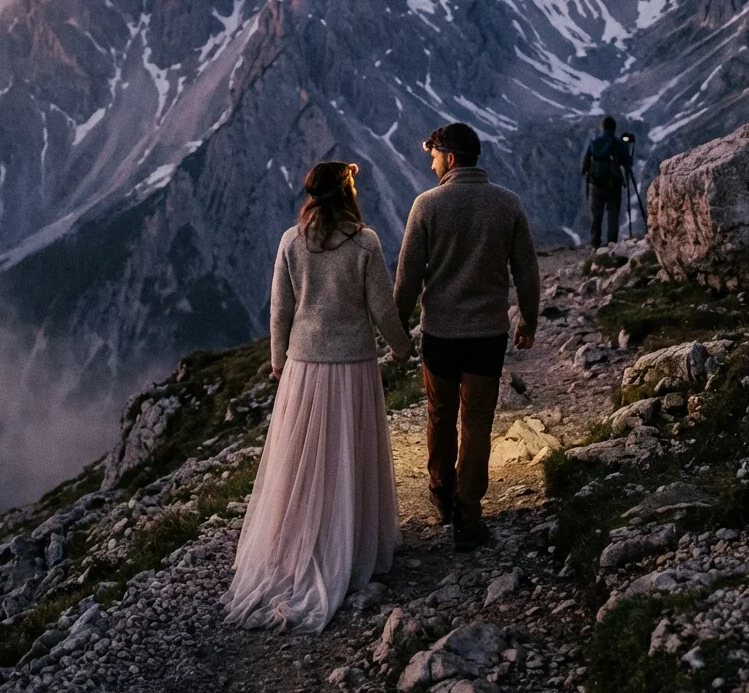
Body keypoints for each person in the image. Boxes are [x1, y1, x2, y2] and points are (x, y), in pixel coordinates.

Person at [221, 160, 413, 633]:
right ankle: (350, 545)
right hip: (352, 364)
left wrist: (278, 359)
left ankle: (297, 545)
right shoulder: (364, 241)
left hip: (305, 366)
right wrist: (404, 347)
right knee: (348, 451)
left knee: (302, 457)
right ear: (345, 192)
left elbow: (279, 308)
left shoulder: (291, 240)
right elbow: (382, 306)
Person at [394, 123, 540, 552]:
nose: (432, 162)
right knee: (476, 422)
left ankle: (441, 494)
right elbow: (527, 271)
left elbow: (407, 279)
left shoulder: (427, 205)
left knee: (440, 415)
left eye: (435, 155)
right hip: (487, 334)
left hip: (440, 333)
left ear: (451, 158)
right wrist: (528, 320)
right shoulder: (507, 203)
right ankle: (469, 515)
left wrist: (399, 328)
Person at [581, 116, 631, 248]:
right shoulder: (617, 143)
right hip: (613, 184)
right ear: (614, 129)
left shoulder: (594, 142)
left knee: (597, 214)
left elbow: (585, 165)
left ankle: (595, 243)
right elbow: (627, 163)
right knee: (612, 214)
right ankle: (611, 244)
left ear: (602, 127)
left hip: (596, 183)